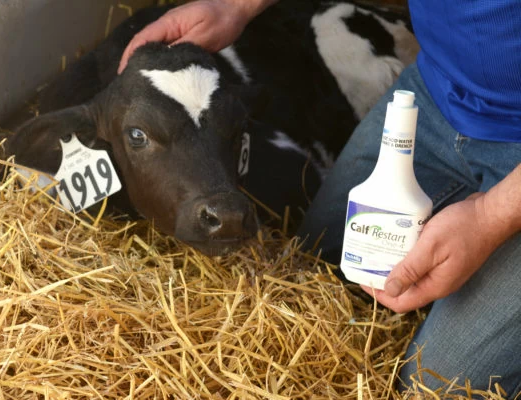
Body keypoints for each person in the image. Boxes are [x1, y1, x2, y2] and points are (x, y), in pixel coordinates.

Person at [119, 0, 521, 396]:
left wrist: (490, 217)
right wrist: (236, 6)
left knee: (434, 386)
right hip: (435, 93)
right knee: (310, 275)